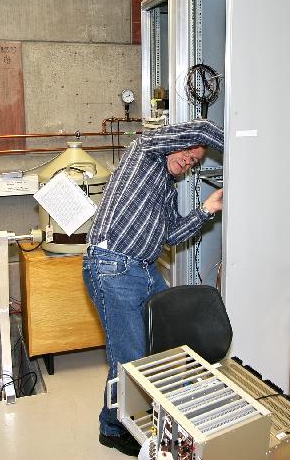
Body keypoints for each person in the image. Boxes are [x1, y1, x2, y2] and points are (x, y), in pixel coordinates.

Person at [83, 118, 224, 456]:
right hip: (112, 265)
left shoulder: (166, 188)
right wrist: (245, 149)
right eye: (188, 152)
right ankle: (113, 428)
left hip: (144, 270)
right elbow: (203, 129)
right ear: (176, 141)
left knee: (167, 346)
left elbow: (170, 235)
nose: (189, 161)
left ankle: (146, 414)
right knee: (130, 356)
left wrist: (207, 210)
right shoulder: (144, 153)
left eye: (194, 161)